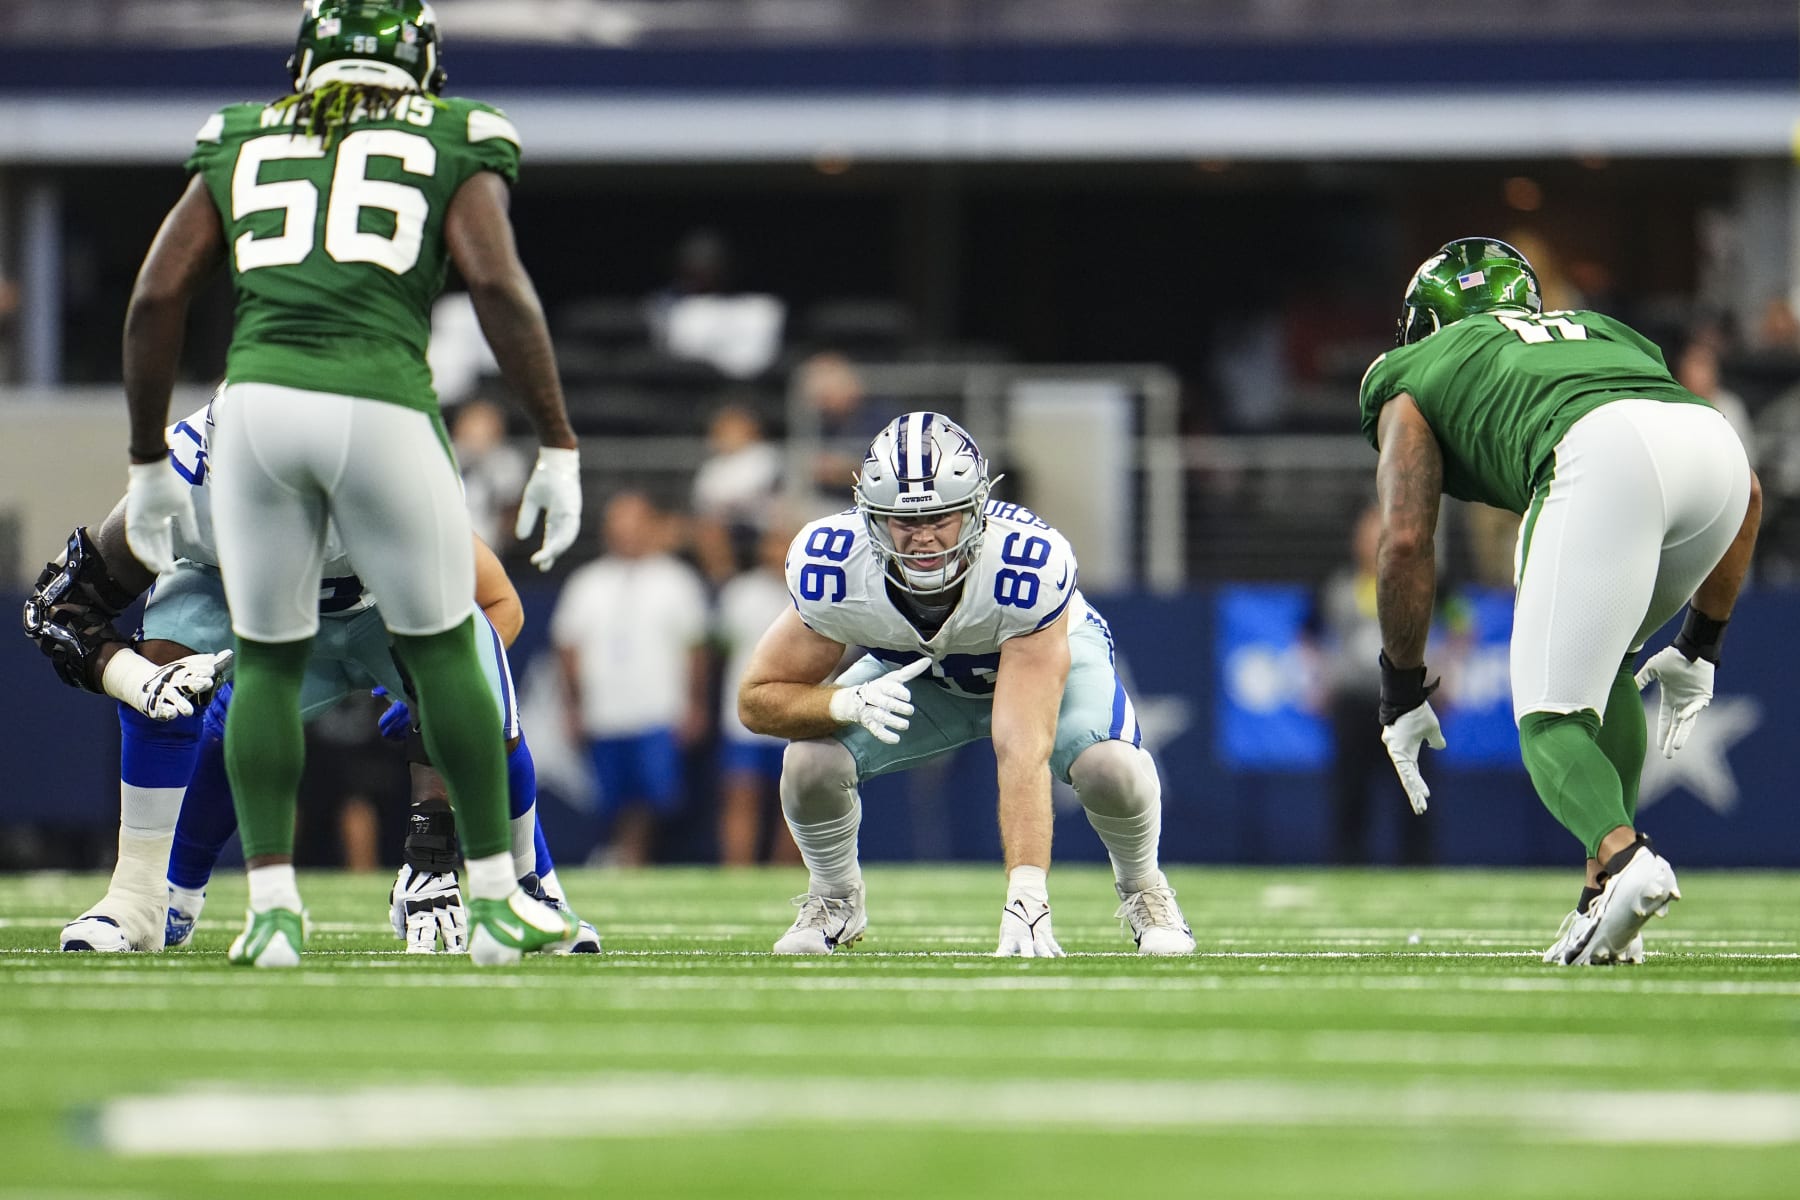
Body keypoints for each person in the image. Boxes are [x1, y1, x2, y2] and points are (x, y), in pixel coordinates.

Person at [119, 1, 585, 966]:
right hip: (379, 397)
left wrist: (143, 457)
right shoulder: (459, 132)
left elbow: (160, 293)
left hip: (256, 409)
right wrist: (557, 439)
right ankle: (498, 895)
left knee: (265, 663)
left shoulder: (240, 135)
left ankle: (273, 911)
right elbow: (497, 285)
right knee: (449, 645)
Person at [30, 402, 597, 956]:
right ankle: (148, 896)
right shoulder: (182, 478)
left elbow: (497, 606)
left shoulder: (393, 473)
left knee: (477, 689)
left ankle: (532, 887)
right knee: (177, 670)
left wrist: (432, 844)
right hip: (248, 606)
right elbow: (62, 610)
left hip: (382, 612)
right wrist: (136, 679)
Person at [1360, 237, 1761, 966]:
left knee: (1547, 717)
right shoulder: (1605, 330)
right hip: (1718, 456)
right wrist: (1702, 643)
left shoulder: (1409, 370)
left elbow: (1406, 541)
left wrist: (1399, 687)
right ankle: (1601, 889)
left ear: (1424, 324)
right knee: (1602, 676)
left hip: (1595, 454)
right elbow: (1750, 494)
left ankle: (1624, 858)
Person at [737, 412, 1194, 956]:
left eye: (942, 516)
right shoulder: (834, 565)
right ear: (870, 517)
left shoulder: (1024, 565)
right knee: (810, 762)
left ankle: (1145, 889)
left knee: (1109, 767)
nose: (923, 537)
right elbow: (756, 700)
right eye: (901, 521)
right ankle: (835, 898)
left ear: (975, 510)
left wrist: (1027, 894)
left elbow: (1021, 747)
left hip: (1042, 669)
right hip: (923, 677)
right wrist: (843, 702)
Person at [552, 491, 710, 866]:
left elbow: (696, 648)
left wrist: (696, 702)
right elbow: (567, 649)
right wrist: (572, 706)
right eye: (618, 525)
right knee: (609, 795)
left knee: (655, 794)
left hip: (657, 707)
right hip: (604, 709)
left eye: (635, 523)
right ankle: (624, 852)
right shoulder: (586, 582)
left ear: (653, 526)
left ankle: (631, 853)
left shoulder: (677, 580)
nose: (626, 533)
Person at [1309, 502, 1435, 865]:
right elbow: (1307, 632)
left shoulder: (1420, 582)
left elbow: (1461, 620)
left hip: (1404, 703)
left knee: (1413, 795)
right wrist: (1320, 679)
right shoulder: (1337, 586)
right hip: (1354, 703)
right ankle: (1347, 864)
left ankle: (1420, 867)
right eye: (1370, 535)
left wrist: (1449, 666)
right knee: (1350, 793)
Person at [713, 520, 802, 866]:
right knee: (741, 795)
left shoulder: (816, 590)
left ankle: (783, 874)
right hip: (745, 717)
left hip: (799, 713)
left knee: (796, 802)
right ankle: (738, 872)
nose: (776, 552)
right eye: (772, 543)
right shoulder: (740, 593)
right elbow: (721, 649)